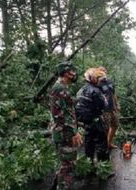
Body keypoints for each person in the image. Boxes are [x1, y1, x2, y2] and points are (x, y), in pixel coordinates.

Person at [48, 62, 83, 190]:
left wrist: (76, 100)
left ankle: (55, 186)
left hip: (64, 132)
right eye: (72, 72)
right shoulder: (59, 89)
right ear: (66, 73)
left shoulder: (62, 87)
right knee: (68, 166)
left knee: (64, 163)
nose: (75, 75)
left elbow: (65, 107)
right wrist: (74, 132)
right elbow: (59, 116)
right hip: (65, 133)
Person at [76, 68, 110, 162]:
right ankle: (103, 166)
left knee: (89, 142)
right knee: (101, 143)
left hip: (85, 121)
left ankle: (89, 164)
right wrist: (104, 99)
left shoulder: (80, 90)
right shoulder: (96, 91)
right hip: (96, 119)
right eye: (100, 79)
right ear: (93, 78)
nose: (101, 82)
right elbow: (103, 105)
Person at [97, 66, 120, 149]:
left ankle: (109, 143)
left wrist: (116, 105)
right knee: (104, 129)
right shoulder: (97, 84)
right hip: (104, 110)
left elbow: (113, 94)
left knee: (115, 125)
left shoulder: (110, 82)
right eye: (101, 72)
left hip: (112, 108)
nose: (103, 73)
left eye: (104, 71)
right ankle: (103, 146)